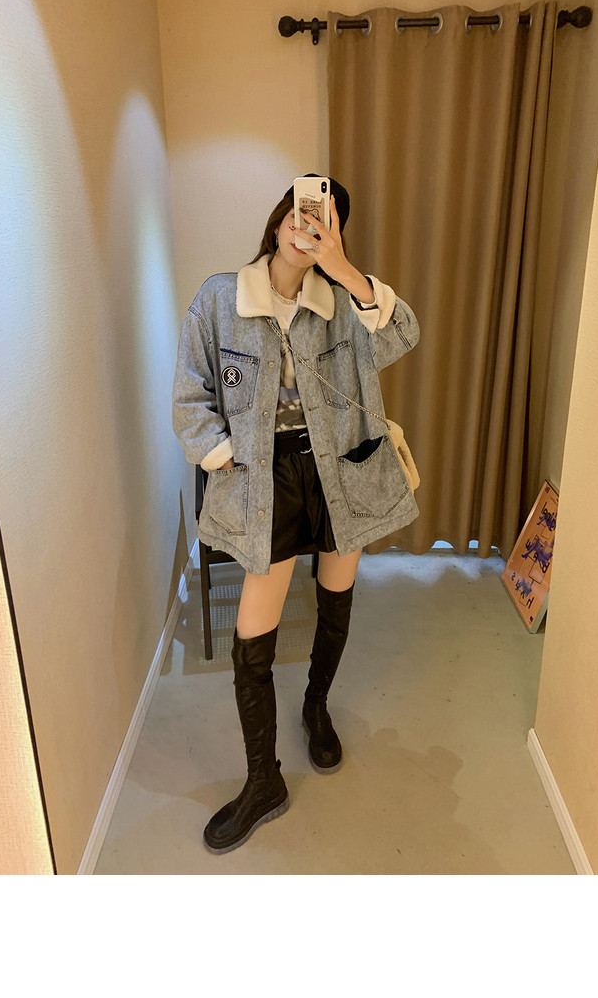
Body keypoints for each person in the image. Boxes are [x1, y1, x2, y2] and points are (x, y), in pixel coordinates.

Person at [171, 175, 420, 853]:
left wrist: (343, 269)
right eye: (300, 210)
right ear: (280, 215)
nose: (307, 224)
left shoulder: (340, 302)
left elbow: (402, 333)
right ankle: (263, 781)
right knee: (254, 631)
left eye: (324, 219)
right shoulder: (220, 299)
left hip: (340, 471)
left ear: (335, 234)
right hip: (265, 479)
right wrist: (227, 457)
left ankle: (315, 705)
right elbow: (190, 399)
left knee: (337, 596)